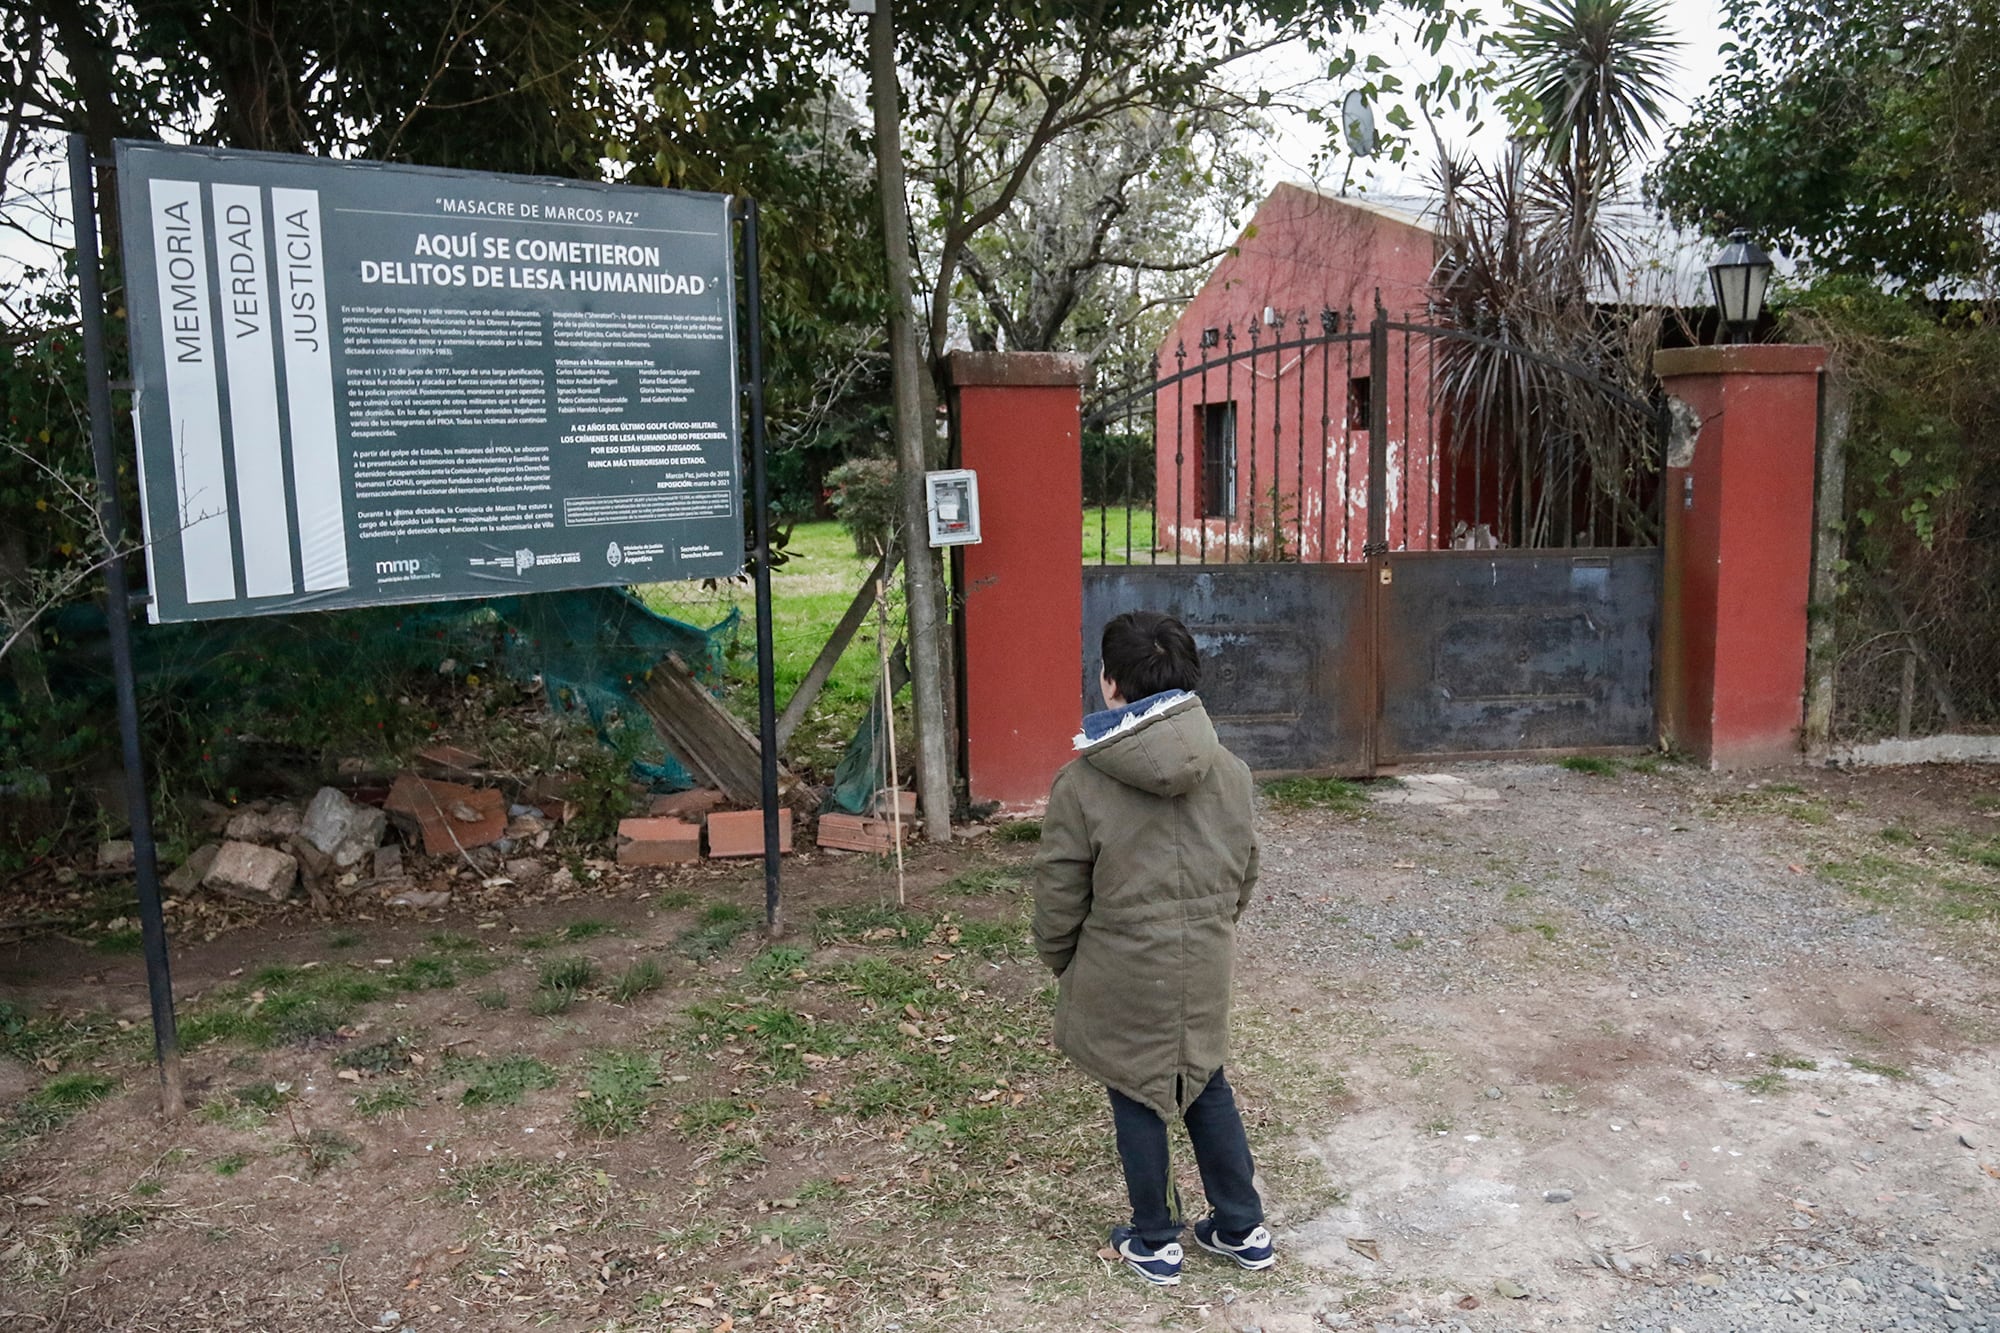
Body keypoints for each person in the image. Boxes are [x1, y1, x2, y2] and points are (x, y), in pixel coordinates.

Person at [1030, 608, 1272, 1287]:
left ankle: (1156, 1236)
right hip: (1204, 960)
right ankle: (1242, 1225)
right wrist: (1211, 928)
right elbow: (1243, 870)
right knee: (1204, 1080)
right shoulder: (1230, 770)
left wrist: (1061, 958)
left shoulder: (1081, 784)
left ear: (1111, 685)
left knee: (1137, 1089)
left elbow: (1059, 895)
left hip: (1120, 967)